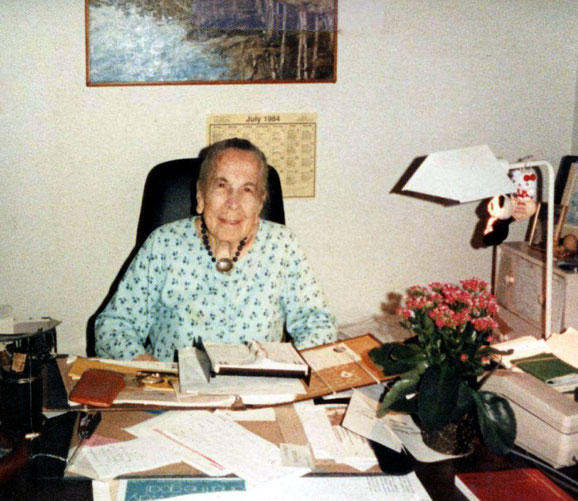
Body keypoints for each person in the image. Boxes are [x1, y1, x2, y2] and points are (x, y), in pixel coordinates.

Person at [94, 138, 337, 361]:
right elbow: (113, 327)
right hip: (177, 391)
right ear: (200, 195)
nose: (233, 202)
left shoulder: (282, 245)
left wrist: (288, 368)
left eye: (247, 189)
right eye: (221, 185)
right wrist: (148, 369)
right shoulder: (163, 244)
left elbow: (318, 323)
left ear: (260, 202)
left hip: (258, 394)